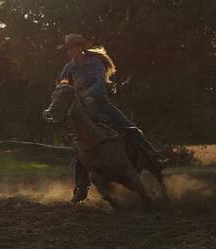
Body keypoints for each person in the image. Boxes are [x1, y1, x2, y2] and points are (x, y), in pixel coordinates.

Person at [56, 33, 168, 203]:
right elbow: (62, 86)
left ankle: (153, 157)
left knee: (130, 128)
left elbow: (100, 84)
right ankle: (81, 186)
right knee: (80, 145)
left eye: (74, 47)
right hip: (82, 109)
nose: (71, 51)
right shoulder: (68, 68)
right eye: (69, 49)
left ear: (81, 47)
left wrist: (86, 93)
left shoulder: (94, 63)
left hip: (100, 103)